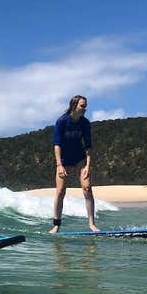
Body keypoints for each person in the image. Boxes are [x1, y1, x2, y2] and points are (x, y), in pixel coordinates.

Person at [48, 95, 99, 234]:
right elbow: (56, 145)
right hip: (64, 161)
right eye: (82, 105)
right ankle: (56, 225)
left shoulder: (85, 123)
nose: (85, 108)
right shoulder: (62, 122)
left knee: (87, 189)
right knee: (60, 191)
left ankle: (92, 224)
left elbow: (88, 146)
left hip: (80, 159)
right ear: (74, 106)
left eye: (85, 105)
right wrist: (59, 165)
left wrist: (88, 166)